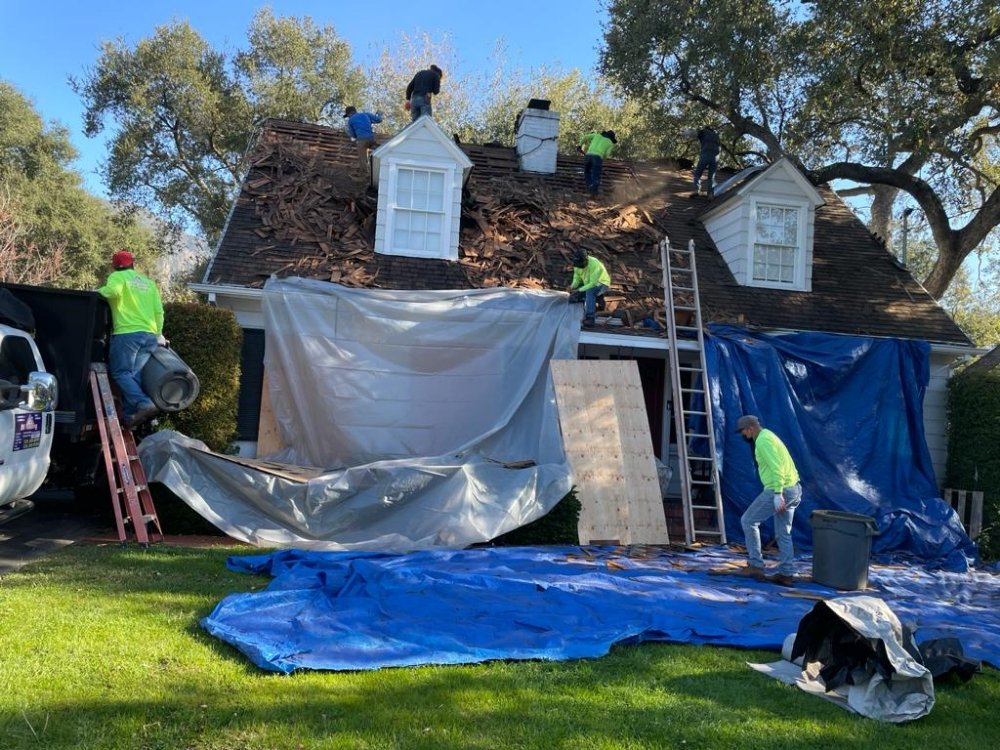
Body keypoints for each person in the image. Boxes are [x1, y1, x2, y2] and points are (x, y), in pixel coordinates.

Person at [98, 250, 166, 430]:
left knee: (120, 372)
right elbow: (159, 312)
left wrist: (97, 292)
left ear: (114, 265)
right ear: (133, 264)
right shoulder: (149, 284)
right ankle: (130, 416)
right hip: (150, 335)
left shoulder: (118, 277)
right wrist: (157, 333)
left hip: (128, 333)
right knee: (133, 375)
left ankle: (144, 403)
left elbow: (111, 292)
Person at [735, 414, 802, 586]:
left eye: (743, 431)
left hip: (779, 489)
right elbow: (786, 463)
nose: (743, 435)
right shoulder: (770, 435)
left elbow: (776, 467)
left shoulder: (763, 441)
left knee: (748, 521)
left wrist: (778, 493)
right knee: (783, 533)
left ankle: (756, 565)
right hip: (793, 488)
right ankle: (786, 573)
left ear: (750, 428)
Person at [567, 249, 611, 327]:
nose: (580, 267)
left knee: (590, 292)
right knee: (573, 298)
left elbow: (593, 283)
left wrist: (579, 290)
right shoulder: (577, 264)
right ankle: (595, 301)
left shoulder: (594, 264)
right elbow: (577, 279)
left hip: (601, 283)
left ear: (586, 260)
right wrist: (572, 286)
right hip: (587, 284)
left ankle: (590, 318)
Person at [343, 106, 384, 173]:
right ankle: (379, 148)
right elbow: (379, 120)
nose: (348, 117)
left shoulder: (350, 120)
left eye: (348, 116)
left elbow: (352, 134)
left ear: (350, 113)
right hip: (371, 138)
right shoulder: (366, 114)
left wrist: (354, 140)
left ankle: (365, 173)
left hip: (361, 141)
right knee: (374, 147)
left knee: (363, 160)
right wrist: (379, 114)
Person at [579, 130, 617, 195]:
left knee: (587, 172)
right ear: (612, 138)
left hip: (588, 155)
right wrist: (602, 158)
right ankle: (594, 192)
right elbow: (607, 154)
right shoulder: (610, 143)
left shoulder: (597, 135)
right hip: (597, 157)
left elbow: (585, 137)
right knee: (596, 174)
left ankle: (590, 187)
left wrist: (579, 146)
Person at [686, 126, 720, 198]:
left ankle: (696, 190)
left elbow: (694, 133)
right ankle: (710, 194)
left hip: (706, 154)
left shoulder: (704, 131)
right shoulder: (716, 136)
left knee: (698, 173)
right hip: (716, 157)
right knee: (711, 177)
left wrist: (686, 132)